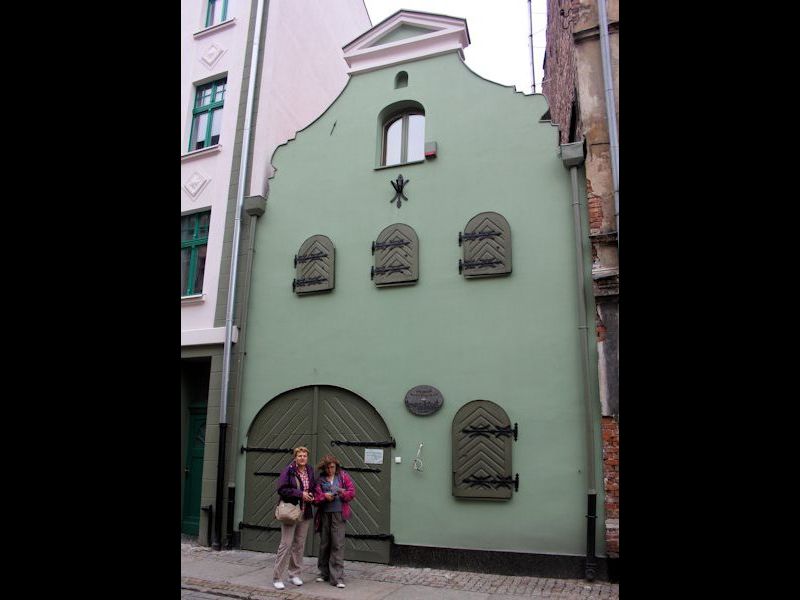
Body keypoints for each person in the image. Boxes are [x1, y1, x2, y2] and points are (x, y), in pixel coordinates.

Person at [272, 446, 317, 590]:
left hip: (305, 511)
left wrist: (311, 495)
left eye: (304, 455)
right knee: (286, 544)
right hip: (291, 512)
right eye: (300, 456)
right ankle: (277, 577)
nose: (302, 458)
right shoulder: (289, 470)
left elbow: (312, 487)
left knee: (299, 545)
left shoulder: (309, 470)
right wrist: (300, 494)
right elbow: (282, 489)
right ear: (295, 457)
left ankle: (294, 574)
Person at [313, 453, 356, 589]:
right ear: (324, 468)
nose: (330, 470)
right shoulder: (320, 479)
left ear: (336, 466)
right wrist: (324, 497)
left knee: (337, 544)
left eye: (332, 467)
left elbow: (352, 492)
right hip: (324, 515)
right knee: (325, 543)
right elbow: (315, 498)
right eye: (327, 468)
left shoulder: (343, 476)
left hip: (339, 514)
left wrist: (341, 493)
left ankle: (337, 578)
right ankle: (323, 573)